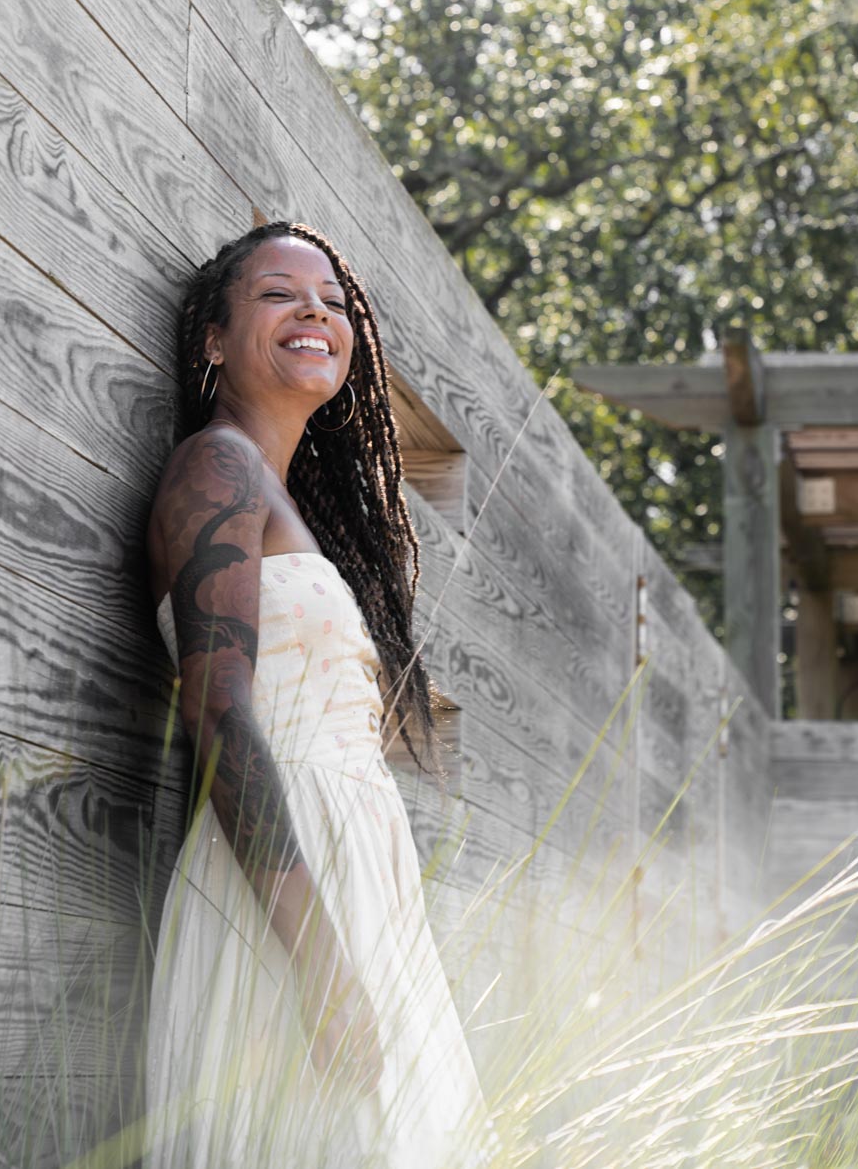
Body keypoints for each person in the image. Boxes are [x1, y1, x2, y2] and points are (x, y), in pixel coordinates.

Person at [143, 220, 500, 1168]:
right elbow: (218, 713)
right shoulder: (216, 467)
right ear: (213, 341)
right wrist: (321, 964)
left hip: (357, 882)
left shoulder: (277, 492)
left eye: (335, 301)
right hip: (285, 902)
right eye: (277, 294)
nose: (315, 311)